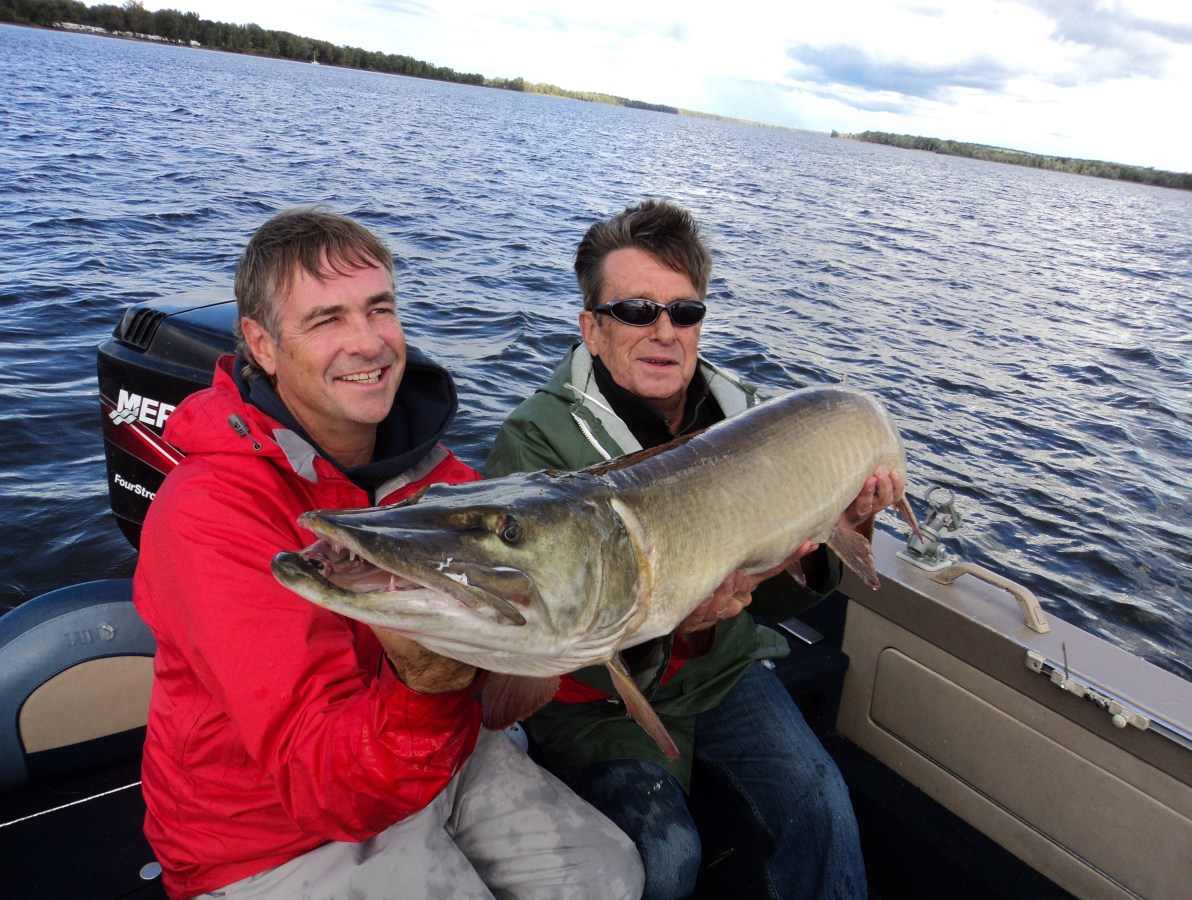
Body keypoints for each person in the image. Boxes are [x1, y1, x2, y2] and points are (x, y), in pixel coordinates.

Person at [133, 207, 643, 900]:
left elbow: (539, 655)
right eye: (327, 319)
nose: (368, 342)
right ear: (262, 344)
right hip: (266, 833)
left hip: (435, 751)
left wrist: (644, 620)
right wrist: (427, 687)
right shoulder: (208, 514)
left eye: (380, 309)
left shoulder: (437, 481)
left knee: (612, 876)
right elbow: (324, 783)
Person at [486, 199, 901, 900]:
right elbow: (530, 639)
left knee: (821, 802)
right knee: (666, 856)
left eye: (684, 312)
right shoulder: (535, 443)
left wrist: (848, 521)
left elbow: (776, 597)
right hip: (597, 698)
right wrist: (675, 627)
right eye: (636, 311)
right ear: (591, 328)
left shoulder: (751, 420)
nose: (664, 332)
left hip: (722, 665)